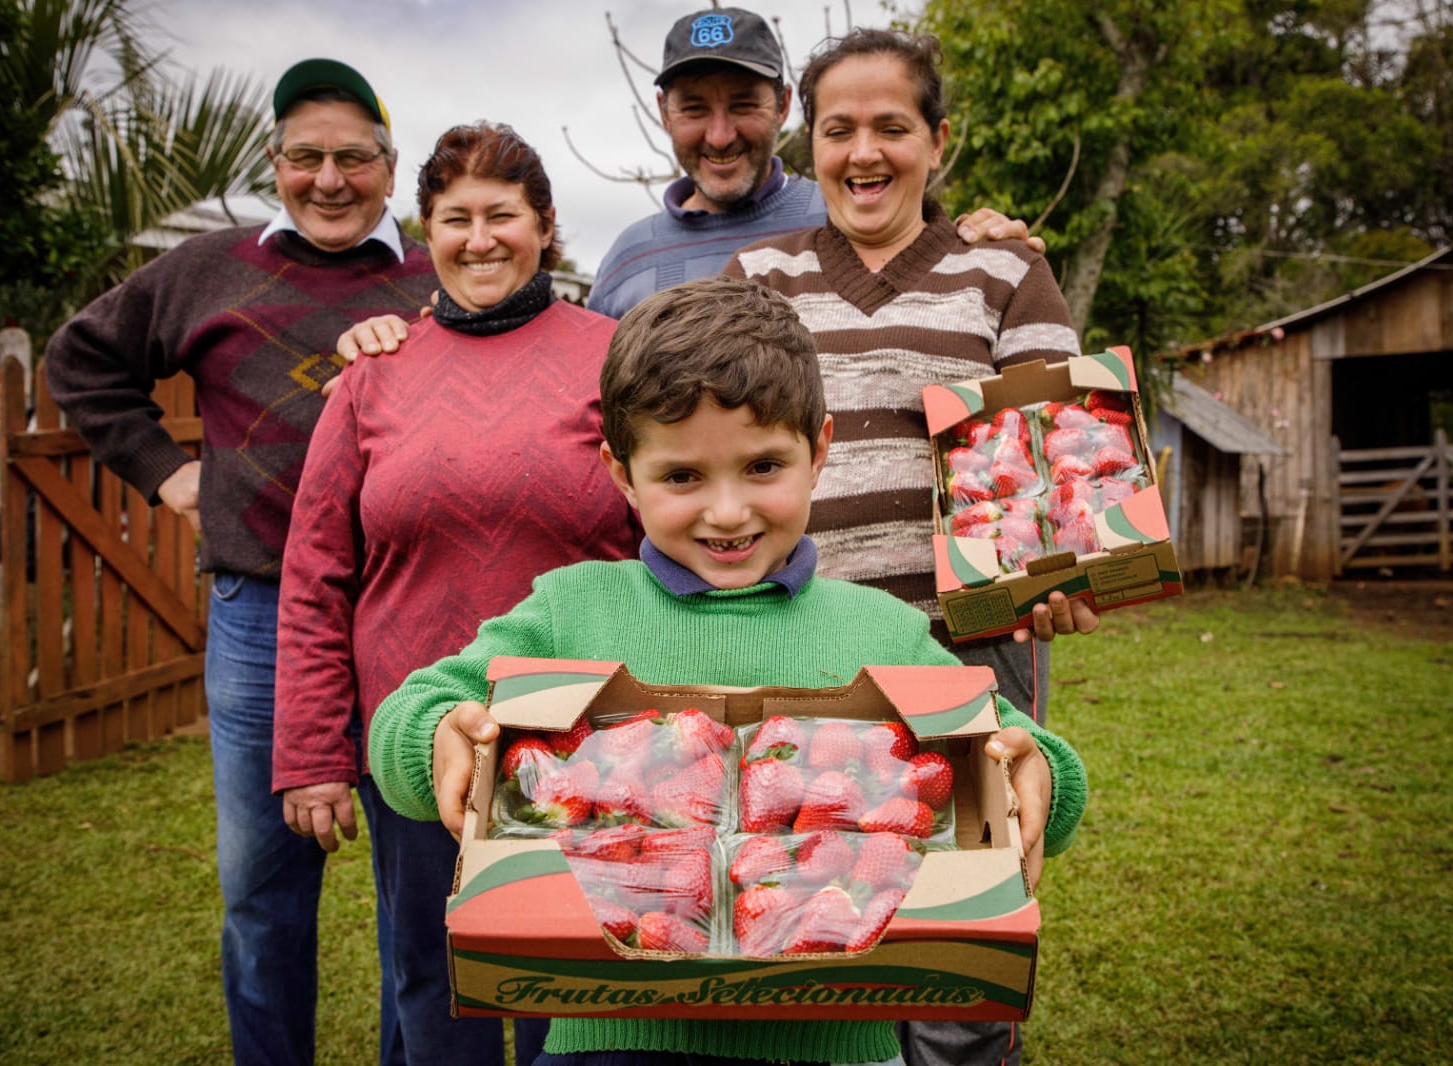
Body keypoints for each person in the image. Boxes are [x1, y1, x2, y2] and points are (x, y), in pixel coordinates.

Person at [365, 275, 1088, 1065]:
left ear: (819, 452)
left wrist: (1040, 772)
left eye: (763, 467)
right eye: (682, 477)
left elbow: (1012, 751)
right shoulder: (571, 611)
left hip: (837, 1042)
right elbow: (424, 704)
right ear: (621, 474)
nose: (728, 511)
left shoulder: (882, 629)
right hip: (610, 1037)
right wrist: (434, 735)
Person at [717, 26, 1101, 1065]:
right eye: (838, 129)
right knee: (808, 923)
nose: (864, 152)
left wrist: (1061, 571)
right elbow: (720, 444)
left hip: (968, 653)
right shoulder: (758, 275)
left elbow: (1054, 464)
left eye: (892, 126)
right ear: (809, 145)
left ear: (939, 139)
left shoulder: (1003, 269)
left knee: (954, 943)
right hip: (801, 650)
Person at [44, 58, 437, 1066]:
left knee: (420, 885)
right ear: (275, 162)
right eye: (305, 156)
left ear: (391, 169)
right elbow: (80, 358)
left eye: (355, 157)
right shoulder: (208, 268)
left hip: (408, 613)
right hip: (260, 612)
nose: (330, 178)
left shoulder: (438, 278)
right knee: (261, 888)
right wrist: (170, 477)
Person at [272, 122, 639, 1066]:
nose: (481, 239)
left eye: (503, 216)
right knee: (433, 977)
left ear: (545, 227)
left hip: (589, 729)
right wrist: (313, 749)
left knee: (581, 975)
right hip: (417, 731)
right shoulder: (373, 376)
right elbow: (317, 572)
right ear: (424, 231)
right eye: (455, 218)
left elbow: (663, 527)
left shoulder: (615, 358)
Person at [333, 7, 1035, 362]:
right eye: (696, 108)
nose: (721, 134)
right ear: (664, 112)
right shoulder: (628, 259)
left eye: (744, 106)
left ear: (785, 107)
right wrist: (415, 341)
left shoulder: (850, 209)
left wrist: (987, 239)